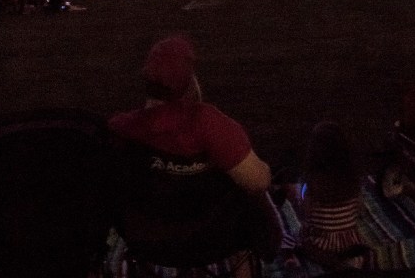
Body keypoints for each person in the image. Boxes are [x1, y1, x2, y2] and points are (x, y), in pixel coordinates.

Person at [109, 36, 282, 271]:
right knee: (250, 196)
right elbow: (258, 181)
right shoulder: (208, 124)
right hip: (212, 237)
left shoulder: (121, 129)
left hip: (149, 239)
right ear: (189, 81)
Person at [294, 121, 368, 270]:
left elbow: (305, 213)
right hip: (349, 241)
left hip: (322, 242)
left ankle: (333, 261)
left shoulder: (312, 184)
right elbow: (360, 209)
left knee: (305, 243)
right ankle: (348, 258)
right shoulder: (353, 180)